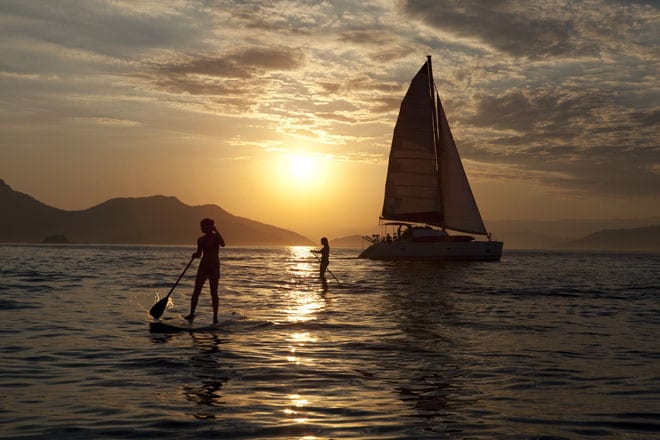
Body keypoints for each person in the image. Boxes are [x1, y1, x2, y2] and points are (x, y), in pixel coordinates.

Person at [184, 218, 225, 324]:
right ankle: (191, 314)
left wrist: (216, 230)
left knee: (213, 292)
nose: (201, 228)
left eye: (203, 226)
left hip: (214, 268)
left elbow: (223, 244)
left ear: (209, 227)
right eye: (201, 226)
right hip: (203, 267)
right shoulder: (200, 240)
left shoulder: (216, 237)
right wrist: (195, 255)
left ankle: (215, 317)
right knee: (196, 291)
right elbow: (199, 254)